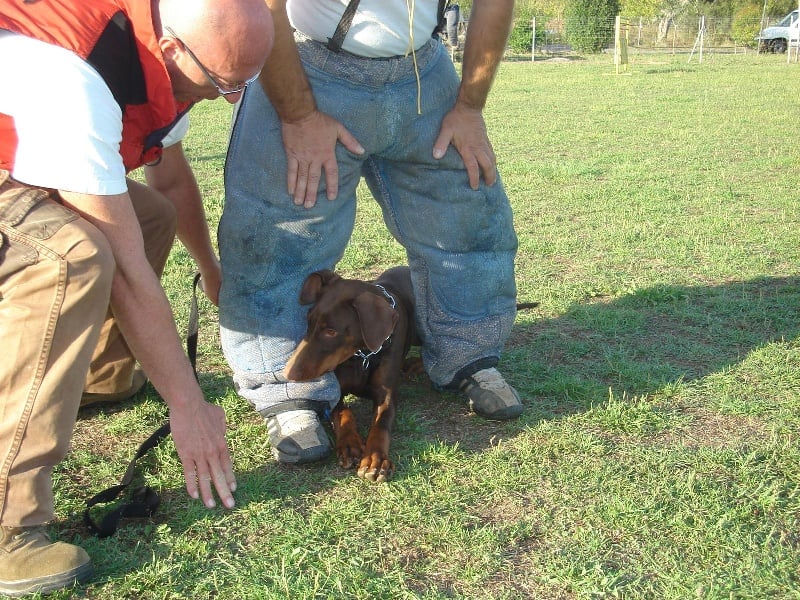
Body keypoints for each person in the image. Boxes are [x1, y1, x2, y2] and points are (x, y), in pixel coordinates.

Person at [0, 0, 274, 594]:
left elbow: (168, 183)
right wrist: (188, 402)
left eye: (242, 85)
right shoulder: (72, 75)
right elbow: (124, 272)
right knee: (70, 256)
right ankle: (7, 522)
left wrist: (211, 267)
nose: (230, 100)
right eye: (223, 83)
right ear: (172, 46)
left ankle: (99, 375)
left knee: (151, 215)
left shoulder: (160, 51)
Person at [219, 0, 520, 466]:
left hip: (424, 73)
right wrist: (298, 115)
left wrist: (470, 105)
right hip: (310, 66)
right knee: (278, 234)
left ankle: (468, 354)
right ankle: (287, 390)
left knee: (468, 222)